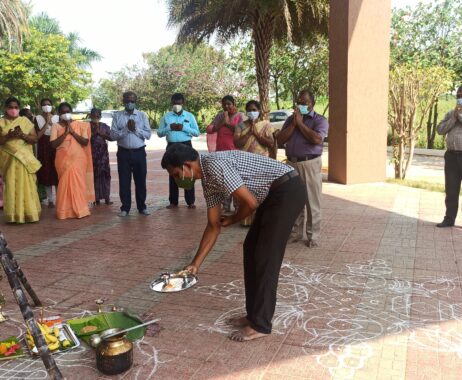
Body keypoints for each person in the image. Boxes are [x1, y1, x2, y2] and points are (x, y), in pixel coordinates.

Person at [161, 144, 305, 341]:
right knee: (251, 248)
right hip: (272, 195)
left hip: (287, 190)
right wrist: (195, 264)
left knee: (265, 256)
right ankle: (253, 315)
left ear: (186, 166)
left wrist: (234, 219)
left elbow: (251, 203)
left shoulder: (215, 166)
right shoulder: (208, 180)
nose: (176, 179)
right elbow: (213, 225)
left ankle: (261, 324)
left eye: (176, 174)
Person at [277, 89, 329, 248]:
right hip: (291, 164)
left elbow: (317, 139)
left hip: (310, 164)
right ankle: (295, 234)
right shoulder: (291, 120)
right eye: (299, 102)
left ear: (312, 103)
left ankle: (313, 236)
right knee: (294, 200)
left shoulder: (320, 120)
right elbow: (280, 139)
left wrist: (300, 124)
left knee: (312, 201)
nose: (301, 105)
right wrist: (294, 123)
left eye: (304, 102)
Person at [0, 97, 41, 223]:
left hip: (25, 161)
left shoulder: (25, 121)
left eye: (16, 107)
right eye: (10, 107)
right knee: (12, 185)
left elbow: (34, 139)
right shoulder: (1, 122)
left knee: (27, 186)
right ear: (5, 109)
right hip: (9, 161)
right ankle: (13, 215)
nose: (13, 110)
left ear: (19, 108)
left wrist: (22, 135)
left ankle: (30, 213)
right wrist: (9, 136)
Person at [50, 102, 94, 220]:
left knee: (78, 184)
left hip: (78, 159)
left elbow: (85, 142)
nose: (65, 114)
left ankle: (80, 210)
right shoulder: (55, 126)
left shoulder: (81, 125)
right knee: (64, 184)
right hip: (62, 159)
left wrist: (72, 132)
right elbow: (53, 144)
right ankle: (65, 211)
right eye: (63, 112)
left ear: (71, 112)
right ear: (59, 113)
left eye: (67, 112)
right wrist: (65, 133)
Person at [110, 91, 152, 217]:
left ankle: (142, 207)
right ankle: (125, 208)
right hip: (123, 153)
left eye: (132, 101)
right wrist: (126, 129)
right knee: (124, 181)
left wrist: (135, 129)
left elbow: (148, 135)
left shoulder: (142, 116)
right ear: (123, 101)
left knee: (140, 181)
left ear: (136, 101)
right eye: (127, 100)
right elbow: (112, 135)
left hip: (139, 152)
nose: (130, 103)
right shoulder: (117, 116)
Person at [234, 100, 274, 226]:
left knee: (261, 190)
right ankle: (246, 220)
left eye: (254, 110)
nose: (252, 112)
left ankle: (260, 219)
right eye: (249, 110)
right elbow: (236, 143)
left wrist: (257, 134)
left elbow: (271, 143)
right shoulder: (240, 126)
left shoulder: (265, 125)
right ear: (246, 112)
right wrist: (249, 133)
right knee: (246, 190)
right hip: (245, 163)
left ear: (259, 111)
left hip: (261, 162)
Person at [157, 93, 200, 209]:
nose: (177, 105)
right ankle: (173, 201)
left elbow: (197, 132)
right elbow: (159, 133)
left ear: (183, 103)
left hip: (186, 146)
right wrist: (169, 128)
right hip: (171, 147)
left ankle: (190, 201)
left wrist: (184, 128)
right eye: (175, 103)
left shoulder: (189, 116)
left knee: (189, 173)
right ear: (171, 103)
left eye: (179, 103)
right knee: (173, 173)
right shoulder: (166, 117)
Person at [211, 95, 244, 214]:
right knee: (223, 180)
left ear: (234, 104)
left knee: (235, 181)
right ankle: (225, 206)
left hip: (234, 152)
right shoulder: (220, 116)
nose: (226, 106)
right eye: (224, 104)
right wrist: (222, 122)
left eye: (229, 104)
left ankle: (237, 206)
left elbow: (242, 130)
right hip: (220, 152)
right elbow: (211, 129)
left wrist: (228, 123)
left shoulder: (240, 116)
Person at [436, 85, 462, 227]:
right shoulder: (451, 114)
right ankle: (449, 218)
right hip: (451, 156)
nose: (460, 99)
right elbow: (440, 129)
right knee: (451, 190)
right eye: (458, 96)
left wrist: (460, 116)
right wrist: (453, 117)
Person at [35, 98, 59, 208]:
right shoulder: (37, 118)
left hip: (55, 145)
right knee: (46, 172)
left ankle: (60, 197)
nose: (46, 106)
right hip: (43, 146)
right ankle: (50, 200)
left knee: (57, 171)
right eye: (44, 104)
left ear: (52, 105)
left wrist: (51, 121)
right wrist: (47, 123)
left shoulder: (57, 117)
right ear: (40, 106)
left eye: (48, 104)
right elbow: (37, 135)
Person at [89, 108, 113, 206]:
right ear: (90, 116)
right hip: (91, 155)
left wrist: (101, 134)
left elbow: (111, 138)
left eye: (98, 116)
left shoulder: (105, 126)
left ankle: (107, 197)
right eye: (94, 116)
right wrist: (94, 133)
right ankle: (96, 198)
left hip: (103, 155)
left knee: (105, 175)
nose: (96, 117)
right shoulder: (86, 126)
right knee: (94, 176)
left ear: (100, 116)